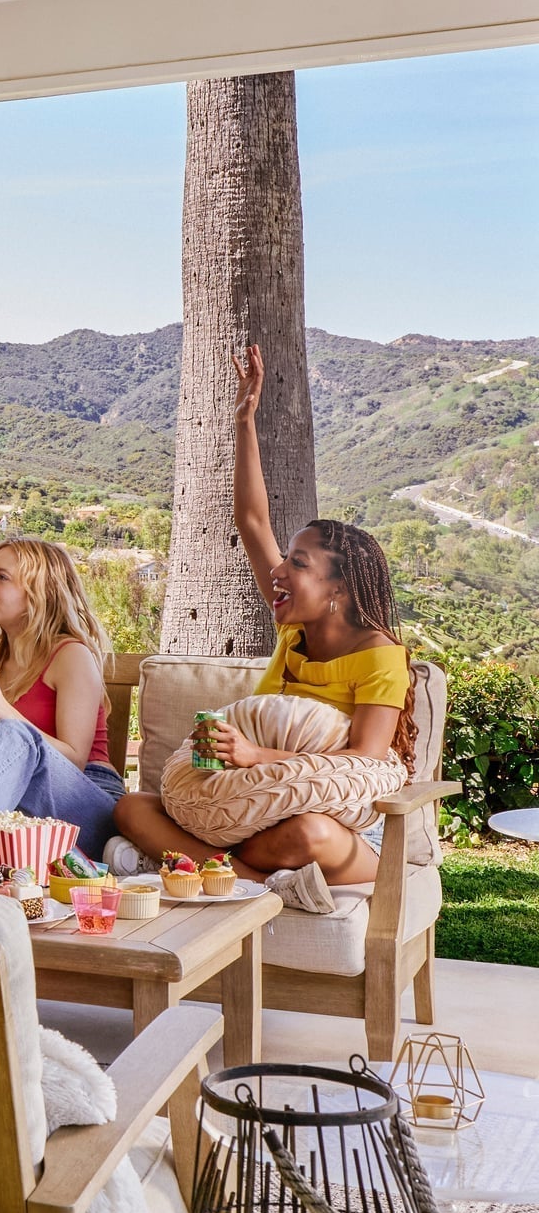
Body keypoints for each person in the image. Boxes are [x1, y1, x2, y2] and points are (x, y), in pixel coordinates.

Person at [110, 345, 415, 912]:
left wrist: (254, 756)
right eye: (285, 558)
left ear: (338, 590)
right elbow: (252, 521)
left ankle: (201, 866)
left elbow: (366, 759)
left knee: (308, 833)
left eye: (298, 563)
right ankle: (252, 880)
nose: (278, 570)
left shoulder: (381, 655)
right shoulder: (294, 633)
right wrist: (243, 421)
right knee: (131, 807)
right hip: (247, 814)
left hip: (340, 825)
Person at [0, 539, 124, 860]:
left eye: (2, 577)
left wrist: (5, 711)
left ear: (40, 592)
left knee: (15, 734)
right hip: (20, 816)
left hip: (87, 804)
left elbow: (75, 759)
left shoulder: (71, 655)